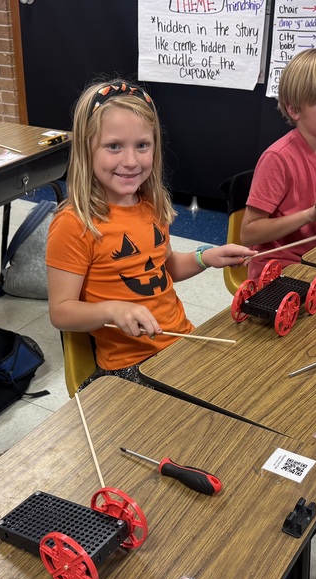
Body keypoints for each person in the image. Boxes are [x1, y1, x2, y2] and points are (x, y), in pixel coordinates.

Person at [46, 81, 254, 388]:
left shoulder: (152, 205)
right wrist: (113, 310)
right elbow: (60, 313)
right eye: (114, 146)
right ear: (86, 150)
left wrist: (206, 257)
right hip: (128, 367)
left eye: (142, 145)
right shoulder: (74, 223)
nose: (130, 161)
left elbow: (165, 268)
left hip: (180, 340)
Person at [240, 48, 316, 281]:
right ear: (293, 109)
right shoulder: (279, 158)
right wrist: (310, 215)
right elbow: (248, 233)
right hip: (277, 267)